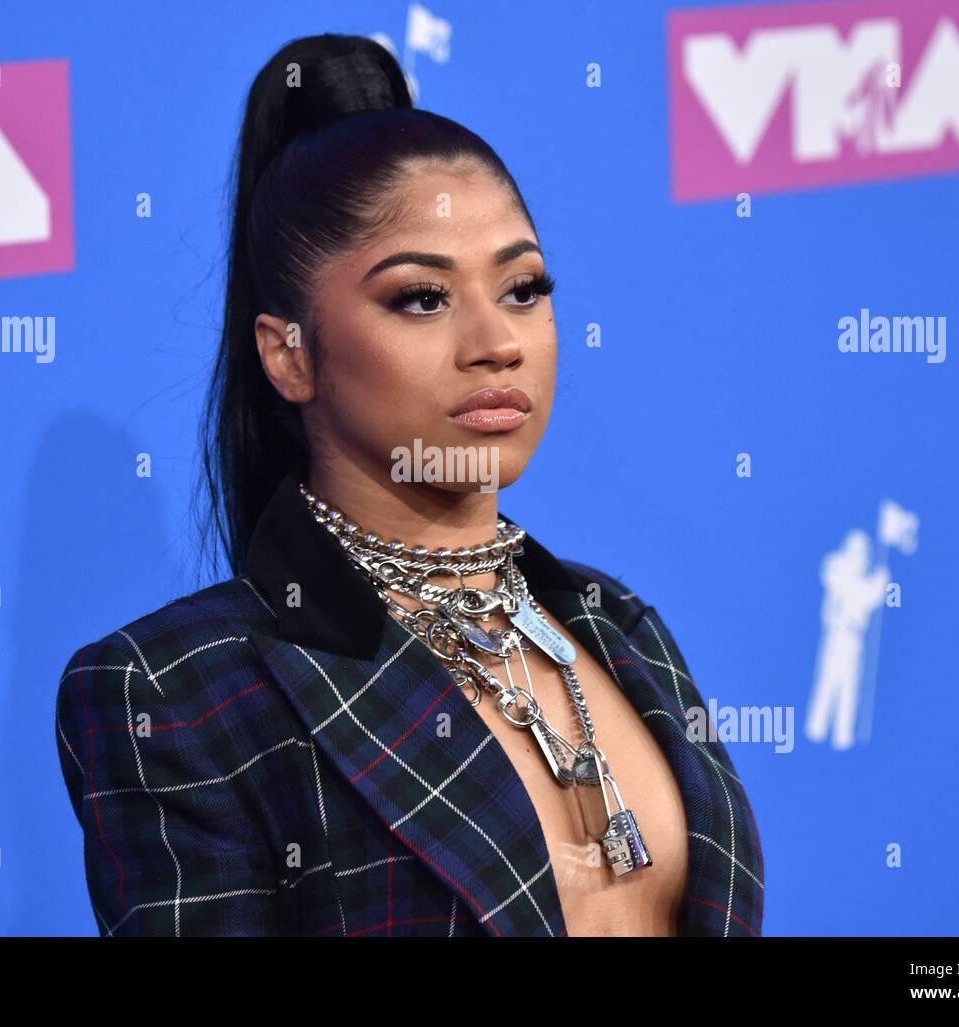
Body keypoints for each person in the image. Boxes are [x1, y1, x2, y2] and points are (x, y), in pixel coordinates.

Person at [54, 31, 764, 938]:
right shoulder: (177, 693)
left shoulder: (617, 622)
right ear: (290, 354)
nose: (497, 342)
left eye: (523, 288)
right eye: (423, 298)